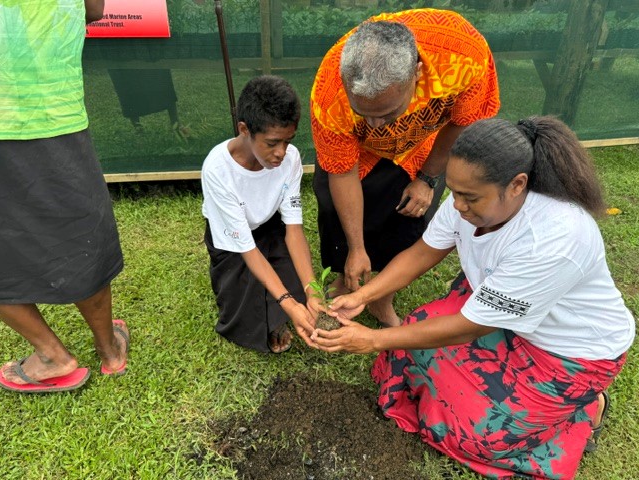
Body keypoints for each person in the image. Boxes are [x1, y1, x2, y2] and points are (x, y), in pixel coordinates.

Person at [311, 116, 636, 478]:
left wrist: (373, 339)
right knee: (414, 341)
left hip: (568, 353)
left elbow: (470, 326)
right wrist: (365, 295)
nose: (458, 206)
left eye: (470, 197)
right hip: (502, 316)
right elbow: (423, 251)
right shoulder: (468, 200)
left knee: (475, 435)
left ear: (517, 185)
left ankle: (584, 409)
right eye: (454, 191)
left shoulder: (554, 237)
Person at [310, 9, 500, 327]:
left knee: (407, 215)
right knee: (333, 209)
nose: (373, 124)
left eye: (386, 112)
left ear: (417, 73)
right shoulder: (330, 92)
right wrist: (356, 248)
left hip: (422, 143)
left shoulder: (462, 54)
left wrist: (427, 178)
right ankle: (348, 277)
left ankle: (381, 298)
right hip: (358, 152)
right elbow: (341, 171)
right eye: (363, 112)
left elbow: (462, 122)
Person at [0, 0, 129, 393]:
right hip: (59, 109)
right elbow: (93, 8)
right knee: (80, 228)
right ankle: (109, 350)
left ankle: (53, 355)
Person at [201, 75, 319, 353]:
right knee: (247, 314)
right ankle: (272, 318)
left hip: (269, 226)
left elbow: (293, 230)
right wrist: (289, 303)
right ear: (244, 129)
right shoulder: (217, 169)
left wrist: (313, 289)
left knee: (299, 285)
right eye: (272, 143)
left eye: (288, 141)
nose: (281, 153)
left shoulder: (290, 159)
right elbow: (246, 248)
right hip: (230, 239)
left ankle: (282, 311)